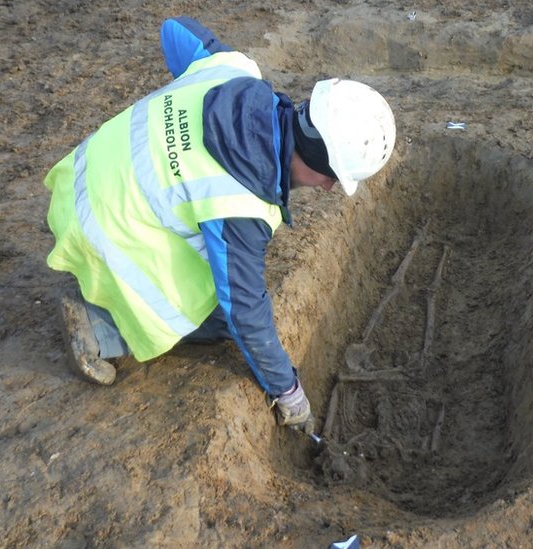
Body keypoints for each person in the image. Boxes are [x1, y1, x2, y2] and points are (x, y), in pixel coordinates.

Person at [42, 17, 395, 435]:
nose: (328, 189)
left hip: (74, 186)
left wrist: (181, 114)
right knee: (220, 311)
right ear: (319, 163)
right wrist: (289, 392)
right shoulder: (240, 204)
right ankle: (102, 328)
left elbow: (175, 30)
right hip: (102, 237)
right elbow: (245, 311)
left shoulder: (231, 71)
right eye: (332, 179)